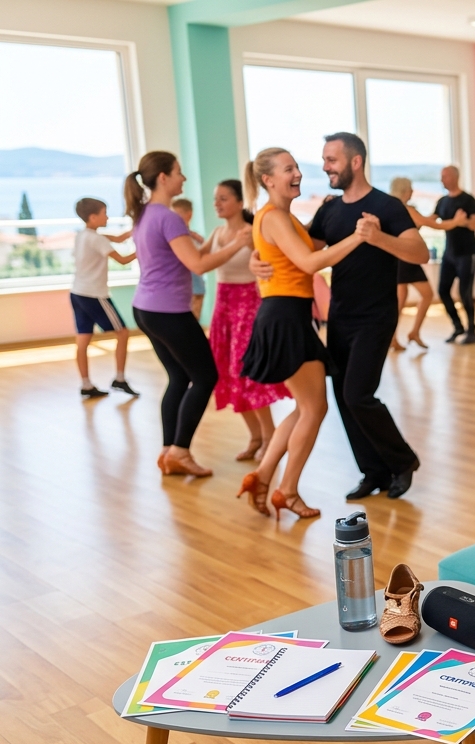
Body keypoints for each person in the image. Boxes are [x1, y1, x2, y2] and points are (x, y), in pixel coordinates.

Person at [254, 132, 430, 500]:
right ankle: (373, 472)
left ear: (355, 162)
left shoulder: (386, 206)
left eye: (331, 160)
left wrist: (378, 238)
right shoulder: (330, 210)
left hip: (376, 317)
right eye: (323, 160)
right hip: (339, 316)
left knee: (357, 394)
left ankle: (402, 461)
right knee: (343, 397)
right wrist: (259, 259)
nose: (324, 167)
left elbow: (419, 253)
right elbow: (303, 248)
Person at [239, 148, 365, 520]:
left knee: (305, 407)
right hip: (284, 318)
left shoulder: (281, 217)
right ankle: (288, 490)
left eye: (296, 167)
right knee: (314, 407)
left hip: (289, 315)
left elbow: (303, 247)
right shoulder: (275, 217)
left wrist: (323, 214)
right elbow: (309, 262)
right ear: (267, 180)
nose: (297, 174)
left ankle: (263, 476)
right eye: (288, 169)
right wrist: (359, 237)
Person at [125, 151, 251, 477]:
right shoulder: (168, 218)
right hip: (168, 311)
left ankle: (168, 451)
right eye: (179, 172)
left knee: (180, 377)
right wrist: (238, 243)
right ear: (163, 177)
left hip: (145, 308)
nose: (183, 178)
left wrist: (205, 243)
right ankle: (180, 451)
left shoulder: (144, 214)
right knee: (206, 376)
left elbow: (178, 256)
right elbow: (198, 265)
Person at [205, 179, 288, 462]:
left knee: (249, 374)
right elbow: (197, 258)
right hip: (223, 308)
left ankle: (269, 436)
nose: (217, 203)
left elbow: (271, 264)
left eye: (223, 198)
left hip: (248, 308)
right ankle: (255, 437)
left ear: (240, 203)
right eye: (216, 198)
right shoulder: (217, 232)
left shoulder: (252, 232)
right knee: (229, 373)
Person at [70, 197, 138, 398]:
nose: (107, 217)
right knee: (123, 333)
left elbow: (118, 238)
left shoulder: (83, 235)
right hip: (94, 295)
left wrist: (137, 230)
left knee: (83, 339)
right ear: (93, 217)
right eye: (104, 213)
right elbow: (124, 260)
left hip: (77, 293)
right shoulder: (97, 239)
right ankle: (120, 379)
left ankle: (86, 384)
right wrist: (146, 247)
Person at [433, 165, 475, 345]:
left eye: (445, 176)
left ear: (455, 177)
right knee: (442, 290)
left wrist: (463, 222)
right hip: (449, 254)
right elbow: (431, 220)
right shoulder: (442, 201)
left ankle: (472, 330)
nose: (442, 180)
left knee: (464, 293)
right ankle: (457, 326)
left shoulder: (468, 200)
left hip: (466, 253)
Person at [387, 176, 437, 351]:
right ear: (404, 191)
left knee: (401, 301)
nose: (412, 192)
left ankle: (399, 336)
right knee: (424, 295)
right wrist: (457, 222)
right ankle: (407, 334)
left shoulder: (391, 208)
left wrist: (434, 216)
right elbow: (429, 223)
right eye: (410, 188)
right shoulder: (406, 209)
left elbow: (421, 222)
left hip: (398, 258)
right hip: (406, 259)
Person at [170, 198, 207, 322]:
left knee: (192, 322)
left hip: (195, 288)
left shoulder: (195, 238)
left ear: (188, 215)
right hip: (178, 289)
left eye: (176, 214)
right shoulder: (174, 238)